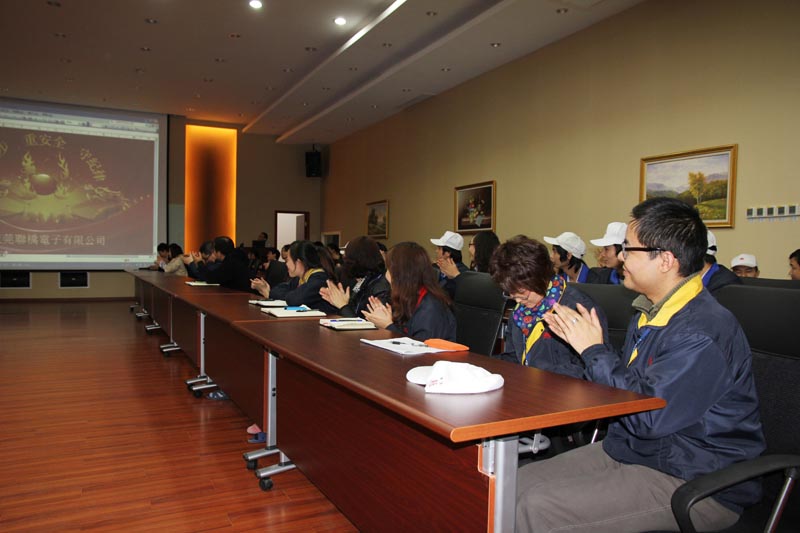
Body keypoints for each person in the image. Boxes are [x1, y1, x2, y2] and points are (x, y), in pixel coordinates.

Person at [515, 197, 765, 532]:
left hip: (696, 477)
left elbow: (648, 416)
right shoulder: (651, 311)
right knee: (515, 484)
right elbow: (627, 388)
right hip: (639, 450)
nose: (620, 257)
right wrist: (584, 353)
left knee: (539, 507)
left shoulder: (701, 331)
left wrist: (593, 350)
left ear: (665, 260)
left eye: (628, 249)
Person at [490, 236, 607, 379]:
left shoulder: (578, 309)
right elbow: (514, 358)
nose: (518, 300)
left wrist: (538, 376)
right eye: (510, 293)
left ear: (540, 278)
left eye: (521, 292)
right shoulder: (520, 312)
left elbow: (593, 371)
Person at [362, 241, 456, 341]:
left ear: (400, 274)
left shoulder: (431, 308)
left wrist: (388, 326)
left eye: (389, 270)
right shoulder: (410, 297)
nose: (386, 276)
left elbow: (421, 347)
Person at [251, 240, 337, 313]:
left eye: (287, 260)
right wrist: (272, 293)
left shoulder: (320, 279)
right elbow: (277, 290)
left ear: (298, 262)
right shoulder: (300, 278)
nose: (286, 264)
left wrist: (272, 293)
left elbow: (295, 299)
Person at [320, 236, 390, 318]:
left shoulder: (380, 286)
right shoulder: (366, 279)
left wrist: (343, 306)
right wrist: (340, 302)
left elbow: (366, 323)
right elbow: (354, 311)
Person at [186, 236, 251, 291]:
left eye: (214, 250)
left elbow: (210, 278)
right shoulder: (235, 259)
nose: (213, 252)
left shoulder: (229, 263)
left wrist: (199, 262)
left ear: (219, 253)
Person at [430, 230, 468, 298]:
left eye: (439, 248)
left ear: (447, 253)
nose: (436, 251)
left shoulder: (463, 274)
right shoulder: (436, 268)